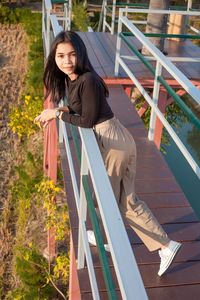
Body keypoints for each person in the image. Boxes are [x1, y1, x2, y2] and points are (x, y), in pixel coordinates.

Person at [35, 31, 181, 276]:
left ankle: (114, 240)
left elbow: (87, 120)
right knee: (125, 200)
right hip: (114, 139)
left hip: (113, 142)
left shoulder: (88, 79)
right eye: (61, 55)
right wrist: (59, 109)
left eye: (71, 54)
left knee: (104, 196)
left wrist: (57, 114)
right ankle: (165, 245)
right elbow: (81, 108)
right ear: (54, 58)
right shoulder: (74, 79)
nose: (66, 60)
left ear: (80, 54)